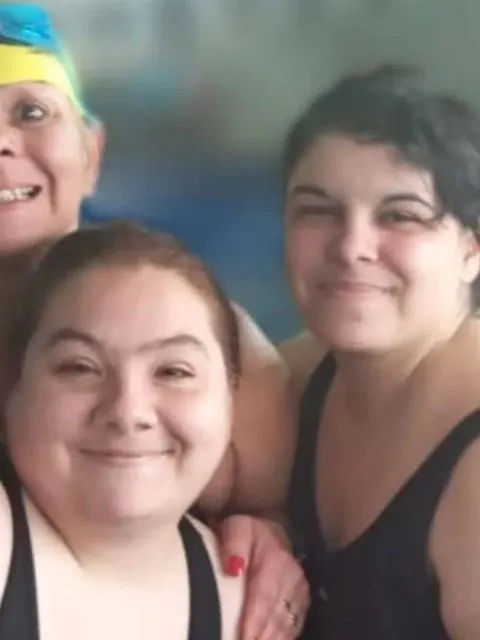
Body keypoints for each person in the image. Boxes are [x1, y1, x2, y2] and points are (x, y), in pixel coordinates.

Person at [0, 5, 308, 636]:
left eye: (31, 112)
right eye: (79, 367)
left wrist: (266, 541)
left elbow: (277, 512)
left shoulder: (217, 351)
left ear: (92, 151)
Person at [213, 63, 480, 639]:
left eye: (401, 216)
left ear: (471, 249)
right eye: (318, 210)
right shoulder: (292, 379)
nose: (351, 246)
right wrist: (258, 526)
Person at [0, 219, 249, 638]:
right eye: (80, 367)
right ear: (11, 389)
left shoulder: (246, 605)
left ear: (230, 395)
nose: (127, 411)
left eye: (173, 371)